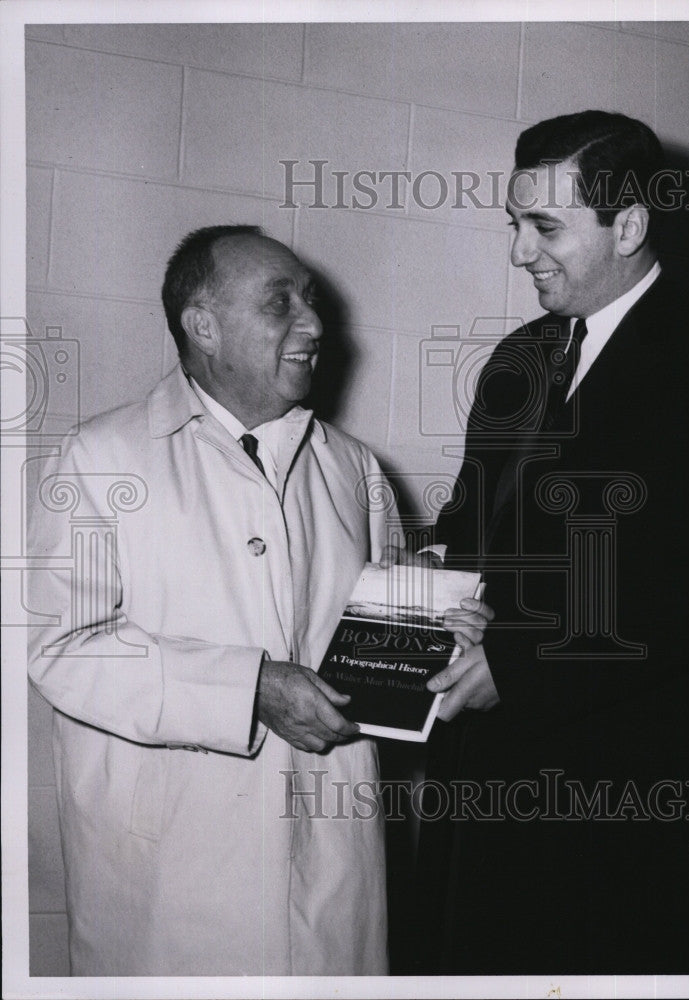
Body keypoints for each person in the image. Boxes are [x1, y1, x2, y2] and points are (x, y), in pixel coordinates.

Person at [411, 111, 689, 974]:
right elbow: (475, 528)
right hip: (491, 780)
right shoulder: (517, 360)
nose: (519, 252)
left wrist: (523, 667)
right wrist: (427, 580)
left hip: (631, 796)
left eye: (545, 226)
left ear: (631, 225)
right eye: (514, 224)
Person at [28, 225, 399, 976]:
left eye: (313, 301)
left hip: (332, 871)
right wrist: (250, 688)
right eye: (280, 303)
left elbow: (383, 637)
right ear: (203, 325)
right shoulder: (101, 457)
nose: (315, 325)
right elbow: (60, 650)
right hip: (172, 885)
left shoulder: (354, 469)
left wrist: (442, 639)